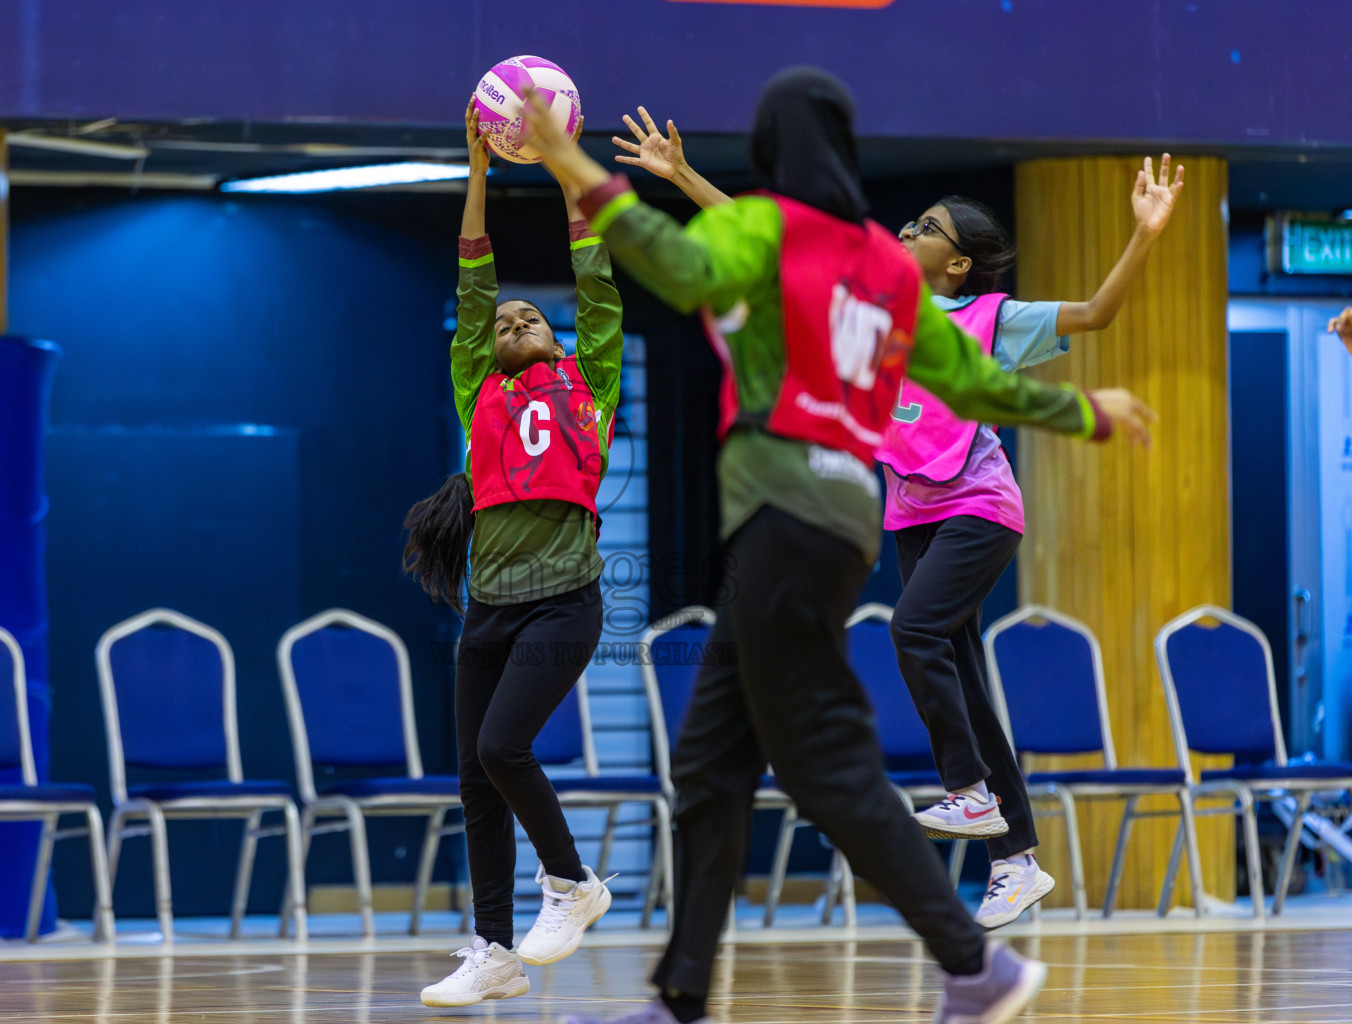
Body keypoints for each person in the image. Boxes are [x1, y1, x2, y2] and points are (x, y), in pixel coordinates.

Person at [523, 68, 1154, 1024]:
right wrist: (1085, 414)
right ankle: (682, 994)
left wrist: (578, 167)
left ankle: (974, 962)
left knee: (826, 766)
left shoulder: (762, 229)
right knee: (708, 769)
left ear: (772, 150)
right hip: (848, 520)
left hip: (784, 519)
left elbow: (676, 264)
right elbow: (976, 386)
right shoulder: (885, 267)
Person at [402, 99, 620, 1008]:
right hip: (488, 606)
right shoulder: (476, 392)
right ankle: (494, 951)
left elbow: (596, 273)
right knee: (474, 780)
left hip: (565, 599)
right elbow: (474, 281)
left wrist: (571, 170)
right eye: (501, 321)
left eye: (531, 315)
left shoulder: (591, 385)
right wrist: (481, 174)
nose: (515, 318)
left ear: (560, 338)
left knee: (504, 746)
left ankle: (573, 882)